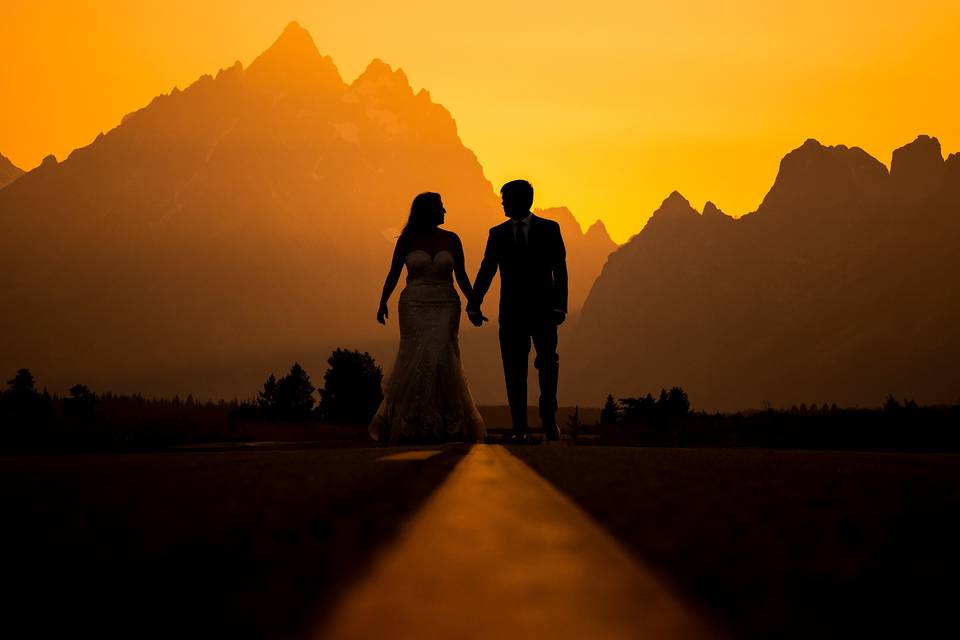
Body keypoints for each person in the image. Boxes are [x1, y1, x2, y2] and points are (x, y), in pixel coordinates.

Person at [369, 192, 486, 443]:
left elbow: (462, 276)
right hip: (413, 304)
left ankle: (448, 422)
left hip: (446, 303)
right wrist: (383, 301)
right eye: (441, 207)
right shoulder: (407, 240)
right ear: (428, 211)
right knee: (415, 356)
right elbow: (394, 273)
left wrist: (474, 303)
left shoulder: (452, 239)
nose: (445, 211)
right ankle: (413, 421)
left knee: (442, 355)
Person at [468, 180, 568, 444]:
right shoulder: (497, 234)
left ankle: (549, 419)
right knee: (514, 370)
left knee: (548, 364)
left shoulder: (549, 229)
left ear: (522, 200)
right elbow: (487, 270)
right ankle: (520, 427)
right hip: (511, 314)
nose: (501, 203)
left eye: (505, 199)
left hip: (545, 311)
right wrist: (474, 303)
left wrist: (560, 305)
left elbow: (560, 270)